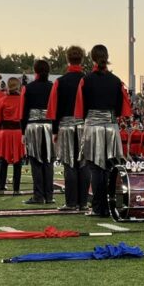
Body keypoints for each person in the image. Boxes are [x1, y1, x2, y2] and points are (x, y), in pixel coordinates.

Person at [74, 44, 131, 217]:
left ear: (92, 58)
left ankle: (98, 207)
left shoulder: (86, 79)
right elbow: (123, 109)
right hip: (111, 127)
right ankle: (109, 205)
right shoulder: (116, 81)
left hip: (92, 127)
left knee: (95, 169)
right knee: (109, 168)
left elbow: (80, 109)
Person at [47, 46, 89, 210]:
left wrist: (55, 130)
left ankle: (71, 202)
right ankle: (84, 202)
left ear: (67, 59)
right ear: (82, 59)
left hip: (65, 126)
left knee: (69, 165)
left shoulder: (60, 81)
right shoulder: (87, 79)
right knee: (84, 164)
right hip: (84, 126)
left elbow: (54, 109)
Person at [22, 60, 55, 204]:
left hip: (33, 126)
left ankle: (38, 196)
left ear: (35, 71)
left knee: (35, 162)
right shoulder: (53, 87)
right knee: (48, 161)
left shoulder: (28, 88)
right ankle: (49, 196)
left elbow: (23, 111)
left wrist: (22, 132)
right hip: (49, 126)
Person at [0, 77, 25, 195]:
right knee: (18, 161)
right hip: (18, 132)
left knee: (3, 160)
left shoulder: (3, 100)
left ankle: (1, 188)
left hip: (5, 132)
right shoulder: (23, 99)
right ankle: (16, 189)